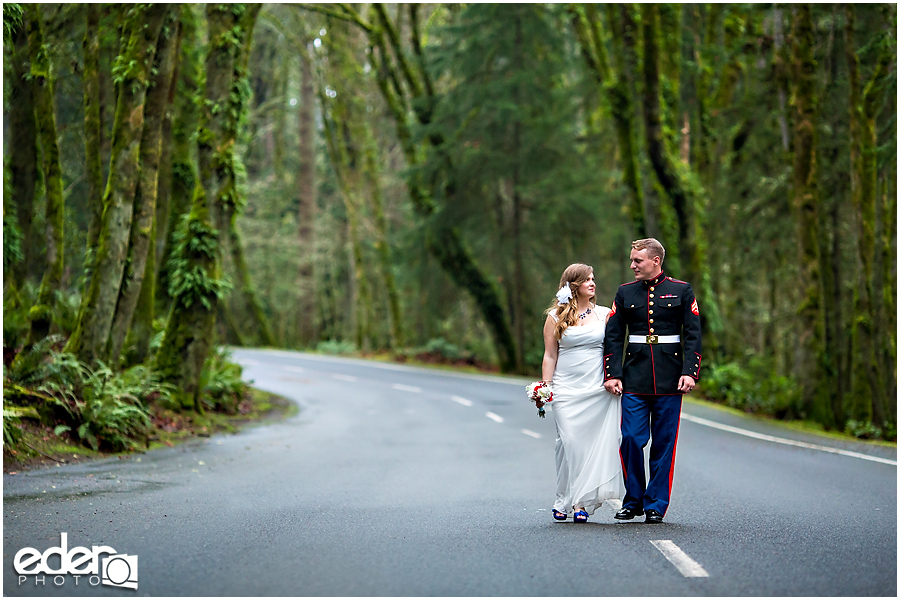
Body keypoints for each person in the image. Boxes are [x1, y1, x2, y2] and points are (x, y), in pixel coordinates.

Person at [603, 238, 701, 524]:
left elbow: (693, 334)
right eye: (632, 260)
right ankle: (633, 500)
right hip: (634, 376)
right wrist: (613, 374)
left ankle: (656, 504)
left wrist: (689, 371)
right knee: (631, 438)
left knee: (663, 444)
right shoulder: (624, 293)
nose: (632, 265)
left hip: (670, 378)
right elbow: (614, 335)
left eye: (638, 260)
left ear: (655, 261)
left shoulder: (681, 291)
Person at [538, 263, 625, 523]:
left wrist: (614, 378)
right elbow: (550, 354)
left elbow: (614, 349)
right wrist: (545, 386)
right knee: (569, 444)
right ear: (573, 285)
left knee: (590, 446)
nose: (593, 283)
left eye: (593, 278)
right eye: (587, 279)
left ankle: (579, 503)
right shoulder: (555, 316)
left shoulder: (605, 314)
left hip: (597, 388)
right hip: (566, 388)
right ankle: (562, 497)